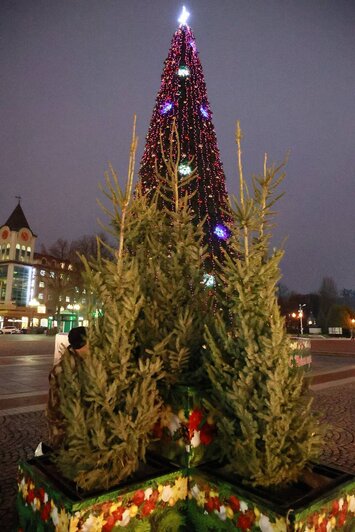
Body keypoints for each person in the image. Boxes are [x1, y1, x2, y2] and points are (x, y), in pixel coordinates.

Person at [46, 326, 88, 449]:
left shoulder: (81, 362)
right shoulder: (65, 370)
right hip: (64, 427)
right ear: (83, 344)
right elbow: (63, 404)